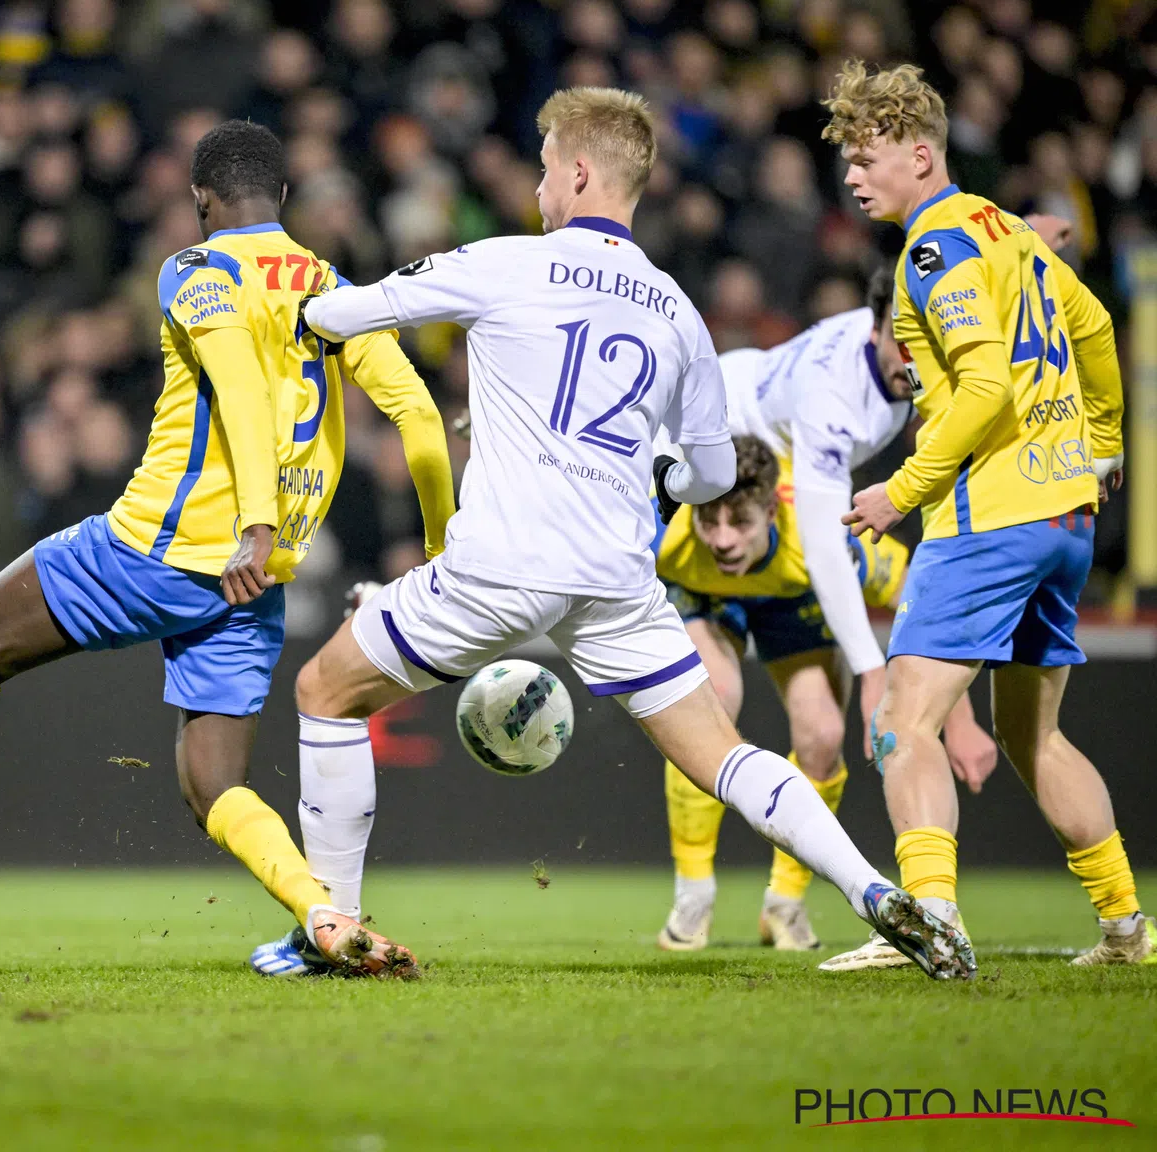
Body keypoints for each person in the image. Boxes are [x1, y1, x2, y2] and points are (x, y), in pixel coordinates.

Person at [257, 85, 974, 981]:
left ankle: (337, 927)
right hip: (615, 581)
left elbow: (337, 315)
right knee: (728, 755)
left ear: (580, 171)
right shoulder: (677, 311)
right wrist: (660, 472)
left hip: (502, 565)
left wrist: (287, 292)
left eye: (548, 164)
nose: (540, 181)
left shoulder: (506, 261)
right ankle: (875, 890)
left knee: (326, 691)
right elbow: (714, 473)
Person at [0, 121, 457, 976]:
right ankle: (320, 912)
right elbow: (423, 422)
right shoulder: (334, 287)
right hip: (254, 584)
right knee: (213, 785)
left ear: (200, 200)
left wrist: (252, 519)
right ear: (284, 197)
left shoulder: (198, 271)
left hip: (155, 549)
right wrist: (439, 548)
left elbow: (245, 391)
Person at [822, 60, 1150, 970]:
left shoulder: (932, 249)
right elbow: (1091, 329)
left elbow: (983, 386)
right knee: (1031, 732)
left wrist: (904, 490)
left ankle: (930, 920)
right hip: (1066, 518)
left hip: (990, 517)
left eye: (868, 156)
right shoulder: (1012, 233)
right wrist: (1107, 441)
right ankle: (1125, 926)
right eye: (848, 158)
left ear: (921, 155)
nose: (853, 174)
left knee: (901, 720)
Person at [653, 271, 1000, 955]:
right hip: (708, 595)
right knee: (712, 695)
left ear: (772, 512)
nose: (721, 537)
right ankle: (693, 896)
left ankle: (784, 903)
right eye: (711, 520)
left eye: (738, 523)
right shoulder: (670, 530)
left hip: (789, 592)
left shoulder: (822, 539)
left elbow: (915, 594)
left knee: (817, 734)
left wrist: (955, 716)